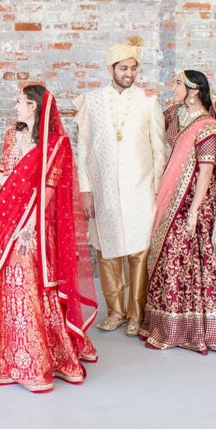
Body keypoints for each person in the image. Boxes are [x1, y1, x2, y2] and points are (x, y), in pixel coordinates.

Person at [0, 86, 97, 392]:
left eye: (19, 102)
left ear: (33, 106)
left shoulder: (56, 145)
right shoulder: (12, 136)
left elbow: (49, 189)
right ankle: (4, 355)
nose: (15, 106)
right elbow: (2, 175)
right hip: (4, 216)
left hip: (33, 225)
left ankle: (34, 358)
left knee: (27, 279)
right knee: (3, 281)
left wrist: (29, 225)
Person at [140, 70, 216, 355]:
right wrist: (149, 101)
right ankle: (170, 322)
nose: (172, 88)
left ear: (194, 90)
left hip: (195, 199)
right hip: (174, 195)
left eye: (177, 84)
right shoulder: (179, 116)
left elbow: (207, 171)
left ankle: (206, 326)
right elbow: (161, 126)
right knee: (172, 257)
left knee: (199, 259)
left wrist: (195, 211)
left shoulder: (209, 127)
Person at [74, 35, 167, 335]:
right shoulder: (91, 101)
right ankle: (115, 312)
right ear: (110, 68)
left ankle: (136, 315)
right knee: (108, 250)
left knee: (139, 251)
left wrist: (158, 188)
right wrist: (85, 189)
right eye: (123, 68)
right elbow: (83, 149)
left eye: (133, 69)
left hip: (140, 189)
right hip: (104, 190)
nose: (129, 74)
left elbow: (158, 148)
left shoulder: (148, 100)